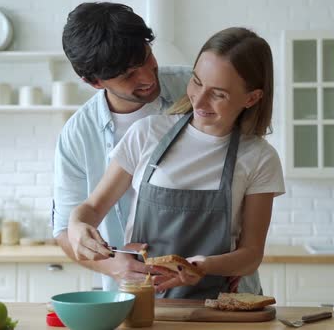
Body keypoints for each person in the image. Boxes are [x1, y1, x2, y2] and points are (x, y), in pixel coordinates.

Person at [68, 27, 285, 299]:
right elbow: (92, 207)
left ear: (251, 98)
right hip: (145, 302)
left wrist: (205, 266)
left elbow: (251, 255)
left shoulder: (259, 158)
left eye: (218, 94)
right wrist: (78, 227)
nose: (199, 99)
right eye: (196, 82)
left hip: (221, 308)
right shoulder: (146, 133)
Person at [52, 2, 191, 292]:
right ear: (93, 81)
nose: (147, 77)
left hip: (216, 285)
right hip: (134, 295)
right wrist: (112, 266)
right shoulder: (77, 134)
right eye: (128, 75)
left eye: (147, 57)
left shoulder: (195, 89)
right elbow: (66, 230)